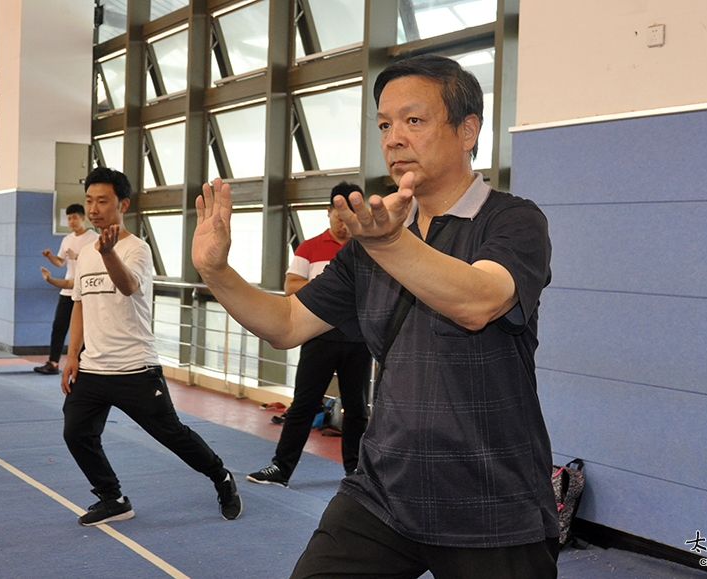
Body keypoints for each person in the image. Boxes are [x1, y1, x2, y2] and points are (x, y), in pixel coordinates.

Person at [193, 54, 558, 579]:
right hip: (384, 491)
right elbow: (288, 324)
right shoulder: (373, 242)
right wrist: (217, 271)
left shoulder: (514, 220)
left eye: (413, 120)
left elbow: (478, 301)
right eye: (385, 124)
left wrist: (390, 243)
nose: (393, 138)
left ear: (468, 130)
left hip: (490, 498)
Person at [61, 167, 242, 526]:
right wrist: (72, 356)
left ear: (123, 204)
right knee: (76, 432)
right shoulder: (84, 255)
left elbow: (128, 286)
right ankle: (112, 498)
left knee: (172, 435)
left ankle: (221, 477)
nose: (94, 209)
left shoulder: (136, 249)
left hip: (136, 369)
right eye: (89, 201)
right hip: (94, 368)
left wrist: (109, 252)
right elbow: (79, 304)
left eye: (103, 201)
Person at [247, 181, 372, 487]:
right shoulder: (310, 247)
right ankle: (281, 468)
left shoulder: (371, 248)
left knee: (357, 408)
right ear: (329, 212)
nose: (343, 223)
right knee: (304, 404)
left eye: (350, 215)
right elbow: (292, 286)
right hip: (318, 337)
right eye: (338, 216)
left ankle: (356, 471)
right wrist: (335, 296)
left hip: (358, 339)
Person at [33, 204, 98, 375]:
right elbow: (61, 262)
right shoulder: (67, 239)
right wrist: (50, 257)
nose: (71, 221)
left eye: (75, 217)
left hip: (85, 291)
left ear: (83, 218)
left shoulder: (93, 238)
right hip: (68, 290)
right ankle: (53, 362)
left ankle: (84, 364)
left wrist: (79, 256)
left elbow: (98, 260)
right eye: (69, 218)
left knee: (85, 329)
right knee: (59, 327)